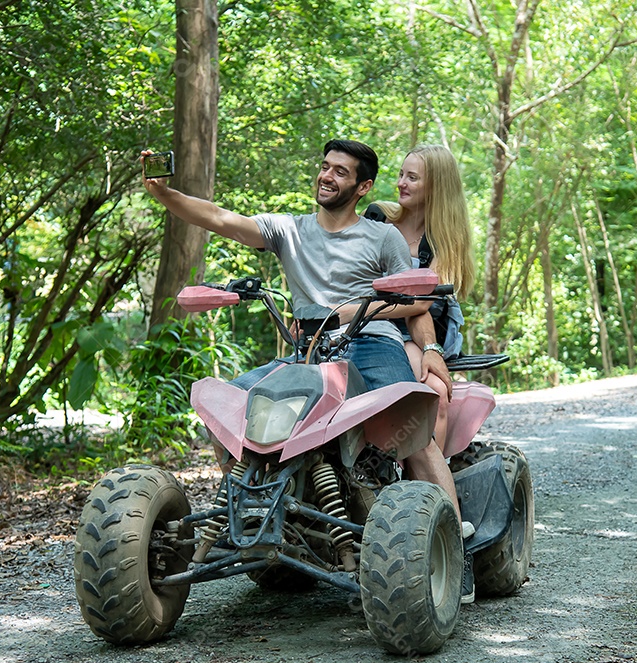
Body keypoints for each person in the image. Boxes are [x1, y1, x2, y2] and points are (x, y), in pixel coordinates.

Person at [141, 140, 475, 602]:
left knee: (409, 422)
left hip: (371, 344)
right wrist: (164, 195)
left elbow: (417, 299)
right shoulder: (289, 230)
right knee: (230, 409)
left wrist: (360, 317)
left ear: (363, 187)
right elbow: (220, 218)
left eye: (341, 171)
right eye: (324, 167)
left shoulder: (382, 237)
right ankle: (263, 510)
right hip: (306, 349)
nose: (327, 176)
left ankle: (457, 552)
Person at [364, 144, 476, 454]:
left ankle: (429, 490)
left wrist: (430, 348)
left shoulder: (445, 238)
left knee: (434, 393)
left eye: (412, 177)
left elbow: (421, 304)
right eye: (401, 174)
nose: (401, 183)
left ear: (436, 187)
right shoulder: (378, 217)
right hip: (369, 318)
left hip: (417, 325)